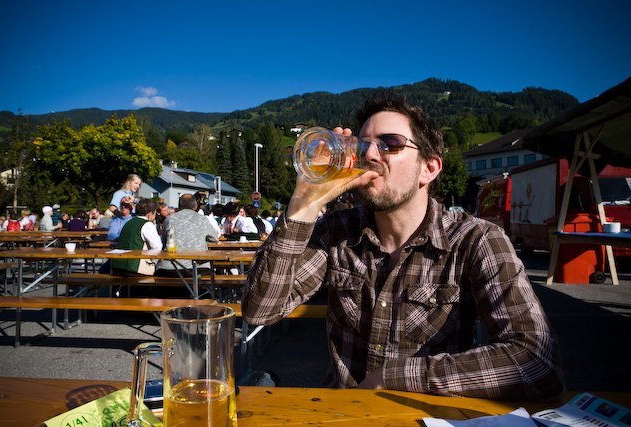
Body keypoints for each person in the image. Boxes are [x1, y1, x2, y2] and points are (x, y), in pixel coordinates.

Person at [241, 94, 564, 400]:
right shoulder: (337, 232)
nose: (369, 154)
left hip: (425, 413)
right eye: (364, 144)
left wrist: (396, 377)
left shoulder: (475, 239)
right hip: (341, 412)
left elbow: (536, 361)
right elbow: (261, 311)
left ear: (429, 168)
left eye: (390, 144)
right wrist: (304, 204)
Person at [156, 194, 219, 277]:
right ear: (195, 205)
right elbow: (214, 238)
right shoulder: (202, 219)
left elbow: (163, 241)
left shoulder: (170, 219)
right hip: (197, 267)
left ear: (179, 205)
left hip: (169, 267)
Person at [111, 198, 161, 276]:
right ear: (150, 213)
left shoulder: (129, 222)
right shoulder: (147, 224)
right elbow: (157, 247)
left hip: (117, 266)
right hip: (135, 268)